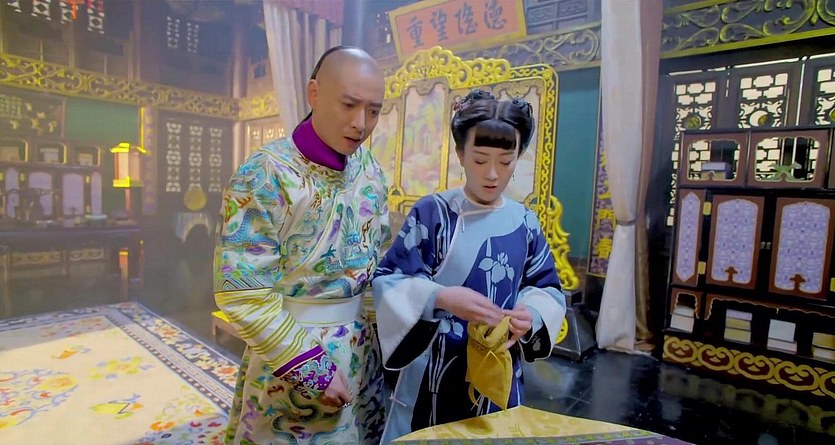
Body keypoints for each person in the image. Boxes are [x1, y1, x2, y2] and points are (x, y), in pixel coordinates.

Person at [213, 46, 390, 445]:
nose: (361, 124)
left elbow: (377, 258)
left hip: (361, 351)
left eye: (374, 111)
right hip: (293, 353)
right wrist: (311, 368)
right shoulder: (265, 173)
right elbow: (242, 290)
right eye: (349, 105)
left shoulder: (370, 170)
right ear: (314, 93)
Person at [371, 89, 567, 443]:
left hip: (498, 364)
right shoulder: (433, 212)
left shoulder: (525, 222)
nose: (492, 174)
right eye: (479, 160)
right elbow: (390, 279)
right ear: (460, 154)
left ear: (519, 156)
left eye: (505, 162)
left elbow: (546, 286)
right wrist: (440, 297)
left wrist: (532, 314)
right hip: (435, 367)